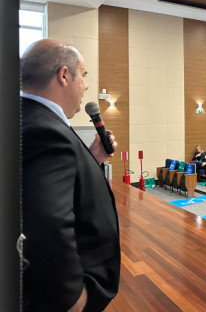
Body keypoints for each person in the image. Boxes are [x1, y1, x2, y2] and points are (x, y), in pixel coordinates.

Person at [21, 39, 121, 311]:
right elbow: (46, 223)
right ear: (64, 75)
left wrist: (93, 157)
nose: (86, 86)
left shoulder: (30, 118)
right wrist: (71, 299)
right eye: (84, 75)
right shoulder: (45, 130)